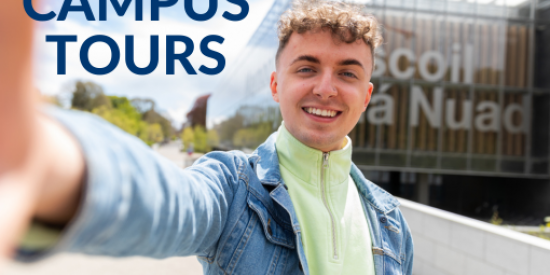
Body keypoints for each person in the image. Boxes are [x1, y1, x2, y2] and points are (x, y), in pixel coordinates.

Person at [0, 0, 413, 274]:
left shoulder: (391, 223)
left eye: (347, 73)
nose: (326, 88)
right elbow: (170, 203)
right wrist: (48, 160)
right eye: (306, 68)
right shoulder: (233, 185)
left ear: (366, 97)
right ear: (275, 84)